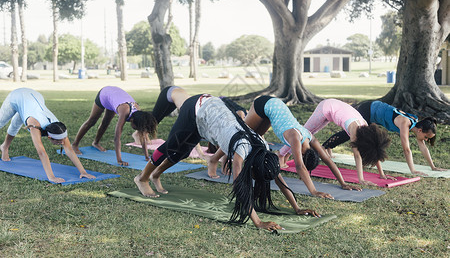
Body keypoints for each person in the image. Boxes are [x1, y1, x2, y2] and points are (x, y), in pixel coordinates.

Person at [134, 95, 319, 231]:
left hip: (209, 118)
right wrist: (258, 222)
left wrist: (297, 208)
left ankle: (156, 174)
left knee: (181, 153)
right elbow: (241, 187)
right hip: (197, 108)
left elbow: (278, 177)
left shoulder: (262, 146)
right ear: (254, 168)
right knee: (172, 145)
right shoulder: (241, 151)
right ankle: (142, 178)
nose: (256, 181)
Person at [240, 96, 360, 200]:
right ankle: (225, 159)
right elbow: (299, 166)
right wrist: (314, 191)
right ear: (303, 156)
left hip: (274, 109)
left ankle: (232, 159)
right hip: (265, 104)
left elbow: (328, 160)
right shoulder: (295, 137)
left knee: (254, 138)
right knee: (241, 135)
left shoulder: (310, 137)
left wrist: (343, 183)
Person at [280, 98, 391, 186]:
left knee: (306, 134)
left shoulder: (366, 128)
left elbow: (375, 148)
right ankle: (281, 155)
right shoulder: (355, 131)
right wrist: (361, 179)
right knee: (303, 132)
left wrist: (381, 174)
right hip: (326, 107)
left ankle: (287, 154)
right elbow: (357, 156)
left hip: (334, 107)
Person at [322, 100, 446, 176]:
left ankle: (328, 147)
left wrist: (433, 167)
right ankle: (325, 147)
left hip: (375, 112)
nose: (425, 140)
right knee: (351, 133)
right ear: (420, 130)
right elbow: (406, 149)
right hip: (369, 110)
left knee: (353, 134)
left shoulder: (416, 124)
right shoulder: (405, 123)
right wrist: (412, 170)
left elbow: (423, 148)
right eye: (426, 137)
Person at [0, 88, 96, 183]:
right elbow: (41, 152)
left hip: (35, 97)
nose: (62, 143)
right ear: (49, 137)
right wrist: (51, 177)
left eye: (63, 139)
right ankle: (5, 147)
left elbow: (69, 150)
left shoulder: (58, 128)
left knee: (17, 121)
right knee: (3, 122)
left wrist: (83, 172)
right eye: (59, 141)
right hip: (18, 96)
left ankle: (4, 147)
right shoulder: (35, 125)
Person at [72, 86, 157, 166]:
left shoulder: (139, 115)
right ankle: (75, 145)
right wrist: (119, 160)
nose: (137, 130)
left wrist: (146, 156)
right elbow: (117, 137)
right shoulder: (124, 111)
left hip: (114, 99)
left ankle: (96, 143)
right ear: (132, 120)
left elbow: (142, 135)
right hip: (105, 94)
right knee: (92, 121)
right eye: (136, 128)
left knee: (106, 122)